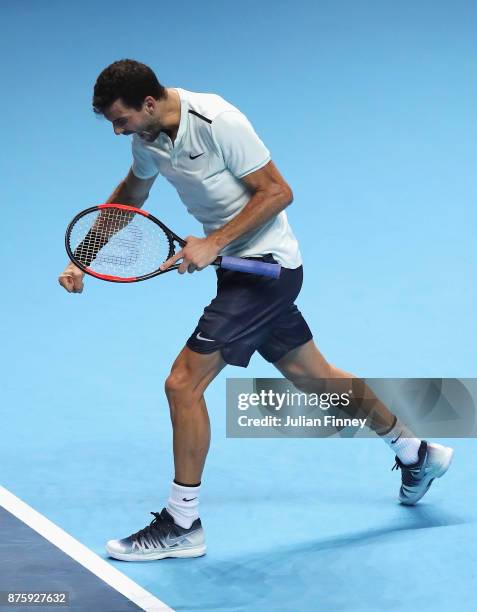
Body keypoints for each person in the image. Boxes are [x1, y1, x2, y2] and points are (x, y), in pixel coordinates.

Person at [58, 59, 454, 561]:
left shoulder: (218, 120)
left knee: (183, 383)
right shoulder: (148, 141)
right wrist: (83, 257)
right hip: (238, 271)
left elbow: (278, 191)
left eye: (122, 119)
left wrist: (213, 242)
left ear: (150, 103)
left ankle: (183, 523)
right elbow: (130, 195)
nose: (119, 131)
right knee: (317, 378)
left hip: (267, 269)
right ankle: (414, 450)